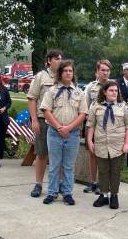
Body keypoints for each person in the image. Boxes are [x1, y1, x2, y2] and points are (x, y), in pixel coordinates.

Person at [40, 60, 87, 206]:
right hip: (54, 133)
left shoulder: (79, 93)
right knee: (54, 165)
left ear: (73, 74)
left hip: (72, 134)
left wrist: (69, 128)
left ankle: (67, 193)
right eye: (65, 70)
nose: (68, 73)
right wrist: (59, 127)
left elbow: (83, 113)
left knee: (68, 165)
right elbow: (46, 110)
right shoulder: (52, 91)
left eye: (70, 71)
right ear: (60, 73)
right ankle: (52, 192)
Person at [86, 81, 128, 209]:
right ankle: (103, 195)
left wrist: (127, 143)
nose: (114, 93)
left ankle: (114, 195)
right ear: (104, 92)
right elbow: (91, 125)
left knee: (115, 172)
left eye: (116, 90)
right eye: (111, 90)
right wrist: (90, 141)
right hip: (101, 144)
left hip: (117, 146)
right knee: (102, 171)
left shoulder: (123, 106)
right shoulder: (95, 106)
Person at [27, 48, 63, 198]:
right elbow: (32, 98)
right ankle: (38, 184)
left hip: (60, 121)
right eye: (57, 59)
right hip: (43, 120)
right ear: (49, 60)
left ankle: (60, 184)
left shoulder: (64, 77)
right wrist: (34, 119)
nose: (60, 61)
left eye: (61, 58)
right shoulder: (41, 77)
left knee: (60, 155)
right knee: (41, 153)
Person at [83, 59, 112, 194]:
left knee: (104, 154)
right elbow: (85, 106)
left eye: (107, 70)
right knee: (93, 153)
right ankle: (93, 182)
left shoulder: (113, 87)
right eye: (103, 70)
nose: (105, 73)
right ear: (97, 72)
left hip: (108, 126)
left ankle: (103, 182)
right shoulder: (91, 87)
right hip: (93, 126)